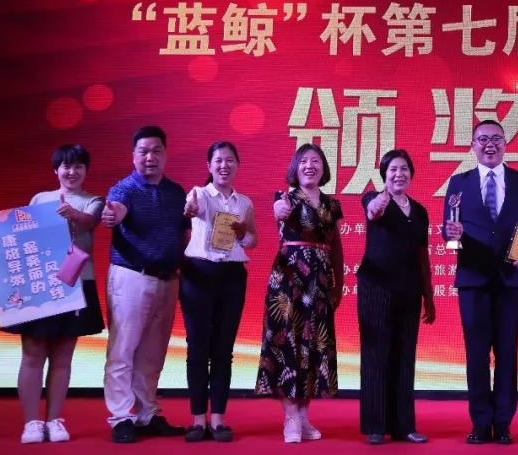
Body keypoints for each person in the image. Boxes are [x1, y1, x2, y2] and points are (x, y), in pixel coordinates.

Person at [0, 144, 105, 443]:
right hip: (40, 286)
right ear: (56, 170)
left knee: (63, 355)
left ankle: (55, 420)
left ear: (86, 170)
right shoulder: (39, 199)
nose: (72, 172)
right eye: (66, 166)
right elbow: (18, 231)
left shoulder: (94, 201)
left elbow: (90, 222)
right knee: (33, 353)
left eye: (78, 166)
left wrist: (74, 214)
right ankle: (32, 423)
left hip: (75, 284)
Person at [442, 119, 518, 445]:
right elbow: (450, 236)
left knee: (508, 353)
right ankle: (481, 423)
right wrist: (453, 238)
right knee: (477, 354)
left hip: (510, 280)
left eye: (496, 138)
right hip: (473, 280)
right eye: (483, 139)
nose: (489, 145)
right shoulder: (458, 183)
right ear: (473, 145)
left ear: (505, 144)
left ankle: (504, 422)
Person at [100, 125, 189, 443]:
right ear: (133, 156)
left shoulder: (176, 192)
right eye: (143, 151)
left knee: (153, 353)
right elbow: (115, 211)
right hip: (131, 277)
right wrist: (111, 216)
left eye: (156, 151)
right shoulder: (124, 189)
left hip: (168, 279)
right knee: (123, 349)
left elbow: (185, 233)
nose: (150, 157)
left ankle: (147, 412)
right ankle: (120, 417)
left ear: (165, 154)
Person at [256, 143, 344, 443]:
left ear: (324, 168)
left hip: (319, 283)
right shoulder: (285, 199)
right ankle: (291, 417)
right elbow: (278, 213)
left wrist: (338, 284)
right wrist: (278, 211)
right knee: (287, 345)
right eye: (304, 161)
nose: (310, 166)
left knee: (313, 347)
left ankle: (304, 416)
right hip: (288, 282)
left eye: (316, 161)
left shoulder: (332, 205)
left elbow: (336, 246)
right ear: (296, 167)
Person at [179, 141, 257, 442]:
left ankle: (218, 420)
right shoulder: (199, 194)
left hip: (232, 276)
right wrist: (190, 209)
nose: (224, 165)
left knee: (224, 349)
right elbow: (191, 210)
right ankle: (198, 419)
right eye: (218, 161)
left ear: (237, 165)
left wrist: (243, 233)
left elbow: (252, 240)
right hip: (199, 274)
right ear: (209, 166)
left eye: (229, 160)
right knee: (198, 347)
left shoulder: (244, 202)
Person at [358, 149, 436, 445]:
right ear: (384, 174)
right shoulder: (373, 198)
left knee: (405, 356)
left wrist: (429, 296)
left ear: (411, 174)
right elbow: (372, 211)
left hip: (409, 290)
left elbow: (422, 254)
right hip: (376, 287)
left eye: (404, 169)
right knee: (376, 355)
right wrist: (377, 204)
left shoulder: (419, 211)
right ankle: (376, 425)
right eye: (393, 169)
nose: (399, 174)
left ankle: (404, 426)